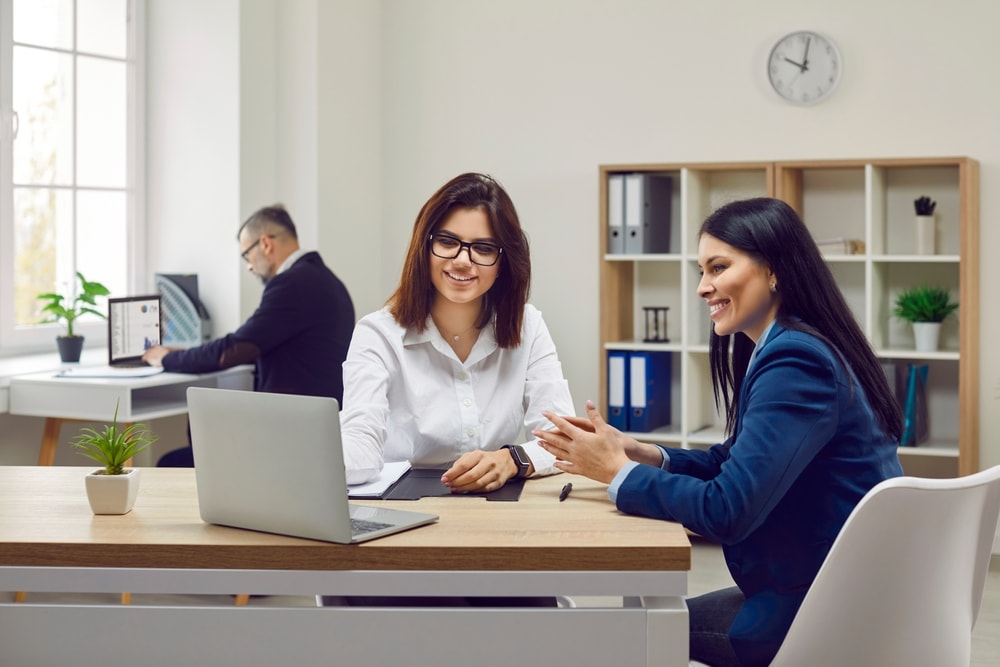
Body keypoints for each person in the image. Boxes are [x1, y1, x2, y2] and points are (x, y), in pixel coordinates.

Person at [534, 197, 904, 666]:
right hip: (831, 586)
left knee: (627, 631)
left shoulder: (796, 362)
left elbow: (727, 509)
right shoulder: (798, 344)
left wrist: (617, 473)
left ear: (774, 270)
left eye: (718, 267)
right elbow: (732, 463)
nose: (702, 287)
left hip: (822, 607)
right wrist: (642, 453)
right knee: (637, 622)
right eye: (701, 271)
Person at [340, 172, 574, 491]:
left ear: (503, 260)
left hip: (498, 506)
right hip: (402, 510)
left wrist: (512, 460)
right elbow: (360, 441)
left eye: (483, 248)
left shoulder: (528, 326)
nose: (463, 260)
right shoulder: (377, 334)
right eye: (448, 242)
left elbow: (561, 441)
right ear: (425, 246)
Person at [143, 204, 355, 466]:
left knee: (171, 463)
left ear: (265, 244)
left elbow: (236, 348)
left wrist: (166, 358)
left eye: (246, 255)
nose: (249, 267)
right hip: (317, 430)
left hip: (290, 436)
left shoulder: (291, 284)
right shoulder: (328, 281)